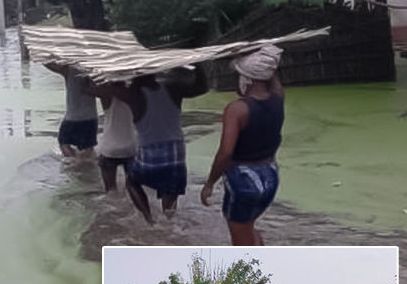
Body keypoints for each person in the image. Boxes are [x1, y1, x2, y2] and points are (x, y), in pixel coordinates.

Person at [201, 45, 285, 245]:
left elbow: (225, 153)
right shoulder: (278, 98)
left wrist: (210, 183)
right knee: (248, 226)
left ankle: (254, 275)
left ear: (246, 79)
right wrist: (260, 54)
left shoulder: (237, 109)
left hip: (245, 180)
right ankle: (267, 266)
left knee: (241, 239)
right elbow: (271, 75)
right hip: (270, 175)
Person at [110, 66, 208, 223]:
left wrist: (114, 69)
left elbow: (113, 87)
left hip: (150, 154)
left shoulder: (133, 95)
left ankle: (149, 219)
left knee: (132, 182)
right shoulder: (172, 88)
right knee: (170, 190)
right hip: (175, 153)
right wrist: (198, 65)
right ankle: (169, 222)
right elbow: (202, 87)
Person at [45, 63, 99, 158]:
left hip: (73, 117)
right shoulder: (92, 69)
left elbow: (49, 64)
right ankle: (86, 164)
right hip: (91, 116)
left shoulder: (69, 69)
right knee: (88, 147)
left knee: (63, 142)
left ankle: (73, 160)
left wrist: (37, 54)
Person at [95, 85, 138, 192]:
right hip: (131, 147)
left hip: (109, 149)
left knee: (110, 190)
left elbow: (86, 89)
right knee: (134, 188)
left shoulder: (106, 96)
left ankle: (114, 207)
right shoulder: (136, 94)